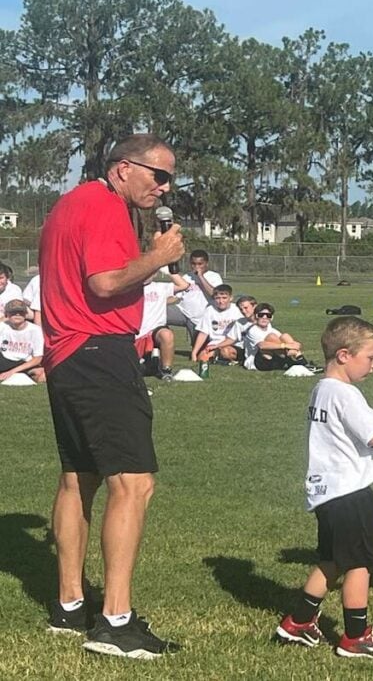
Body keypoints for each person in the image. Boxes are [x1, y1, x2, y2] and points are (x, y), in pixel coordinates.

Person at [39, 133, 184, 657]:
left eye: (170, 178)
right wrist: (159, 256)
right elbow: (105, 283)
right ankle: (115, 623)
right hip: (98, 352)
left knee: (79, 478)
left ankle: (69, 605)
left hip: (66, 354)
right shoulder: (102, 206)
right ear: (123, 168)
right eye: (158, 174)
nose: (165, 187)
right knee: (135, 482)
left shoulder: (71, 203)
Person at [274, 316, 373, 657]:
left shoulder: (321, 388)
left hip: (327, 491)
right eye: (371, 357)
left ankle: (298, 622)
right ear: (344, 355)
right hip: (349, 491)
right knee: (360, 562)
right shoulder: (345, 394)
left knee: (332, 559)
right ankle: (355, 636)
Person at [135, 274, 186, 380]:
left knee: (167, 335)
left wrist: (169, 271)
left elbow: (184, 285)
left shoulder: (161, 287)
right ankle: (149, 363)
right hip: (135, 332)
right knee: (135, 369)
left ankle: (166, 369)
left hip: (156, 330)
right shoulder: (130, 288)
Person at [243, 302, 315, 371]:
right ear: (256, 316)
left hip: (274, 360)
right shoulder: (253, 330)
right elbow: (262, 346)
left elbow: (293, 344)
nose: (264, 318)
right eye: (261, 315)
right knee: (271, 337)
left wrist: (294, 346)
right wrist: (286, 346)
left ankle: (302, 362)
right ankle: (296, 362)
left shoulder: (272, 330)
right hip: (258, 362)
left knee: (285, 336)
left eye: (268, 315)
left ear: (271, 318)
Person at [167, 249, 221, 342]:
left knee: (200, 352)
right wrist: (158, 303)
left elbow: (214, 294)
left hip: (202, 317)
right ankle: (156, 348)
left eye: (200, 264)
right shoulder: (186, 277)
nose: (196, 267)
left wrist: (200, 277)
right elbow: (176, 297)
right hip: (183, 312)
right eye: (193, 264)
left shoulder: (214, 276)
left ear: (206, 263)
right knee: (156, 314)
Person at [190, 283, 243, 364]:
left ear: (231, 298)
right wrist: (194, 353)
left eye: (224, 298)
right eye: (217, 298)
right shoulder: (210, 310)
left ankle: (223, 359)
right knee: (201, 359)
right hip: (214, 343)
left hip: (232, 344)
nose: (221, 301)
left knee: (226, 352)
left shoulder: (237, 310)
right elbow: (203, 333)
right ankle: (223, 360)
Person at [0, 299, 46, 383]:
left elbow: (38, 358)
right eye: (13, 312)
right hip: (4, 359)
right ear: (7, 314)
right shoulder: (2, 327)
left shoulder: (35, 330)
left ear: (25, 314)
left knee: (43, 375)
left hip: (24, 363)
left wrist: (12, 372)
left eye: (21, 312)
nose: (17, 314)